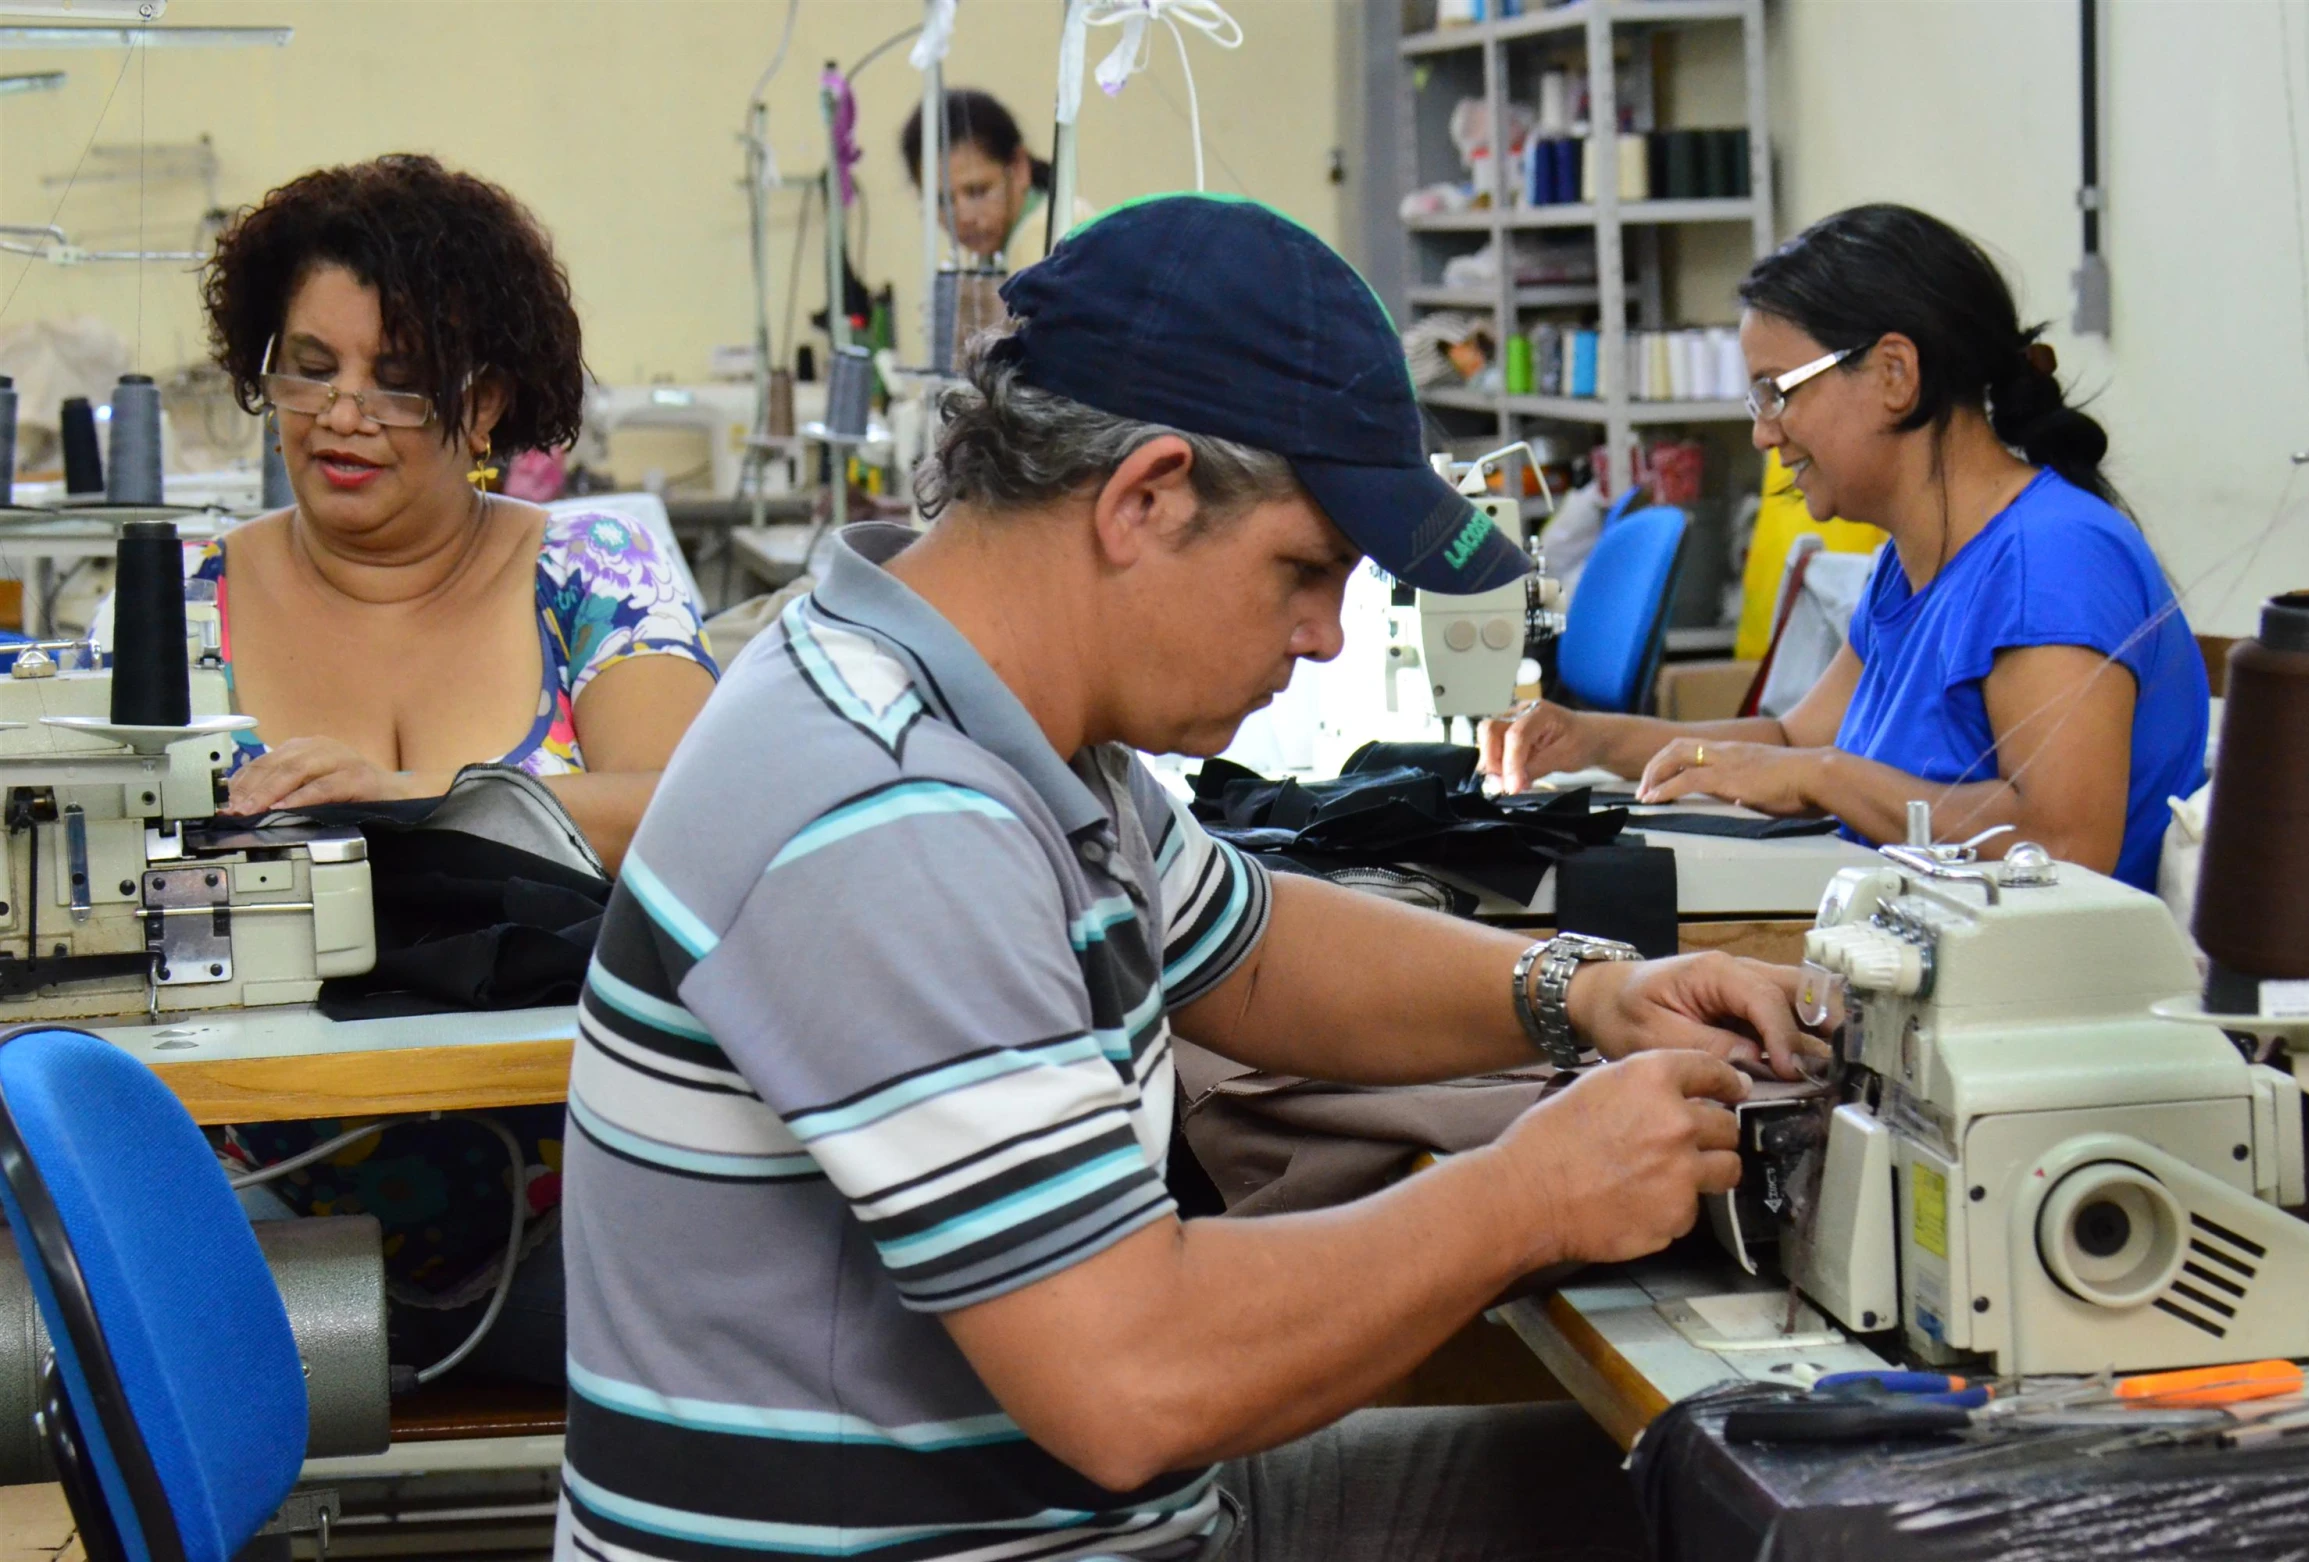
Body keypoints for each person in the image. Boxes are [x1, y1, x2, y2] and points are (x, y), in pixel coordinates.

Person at [558, 195, 1824, 1562]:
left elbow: (1251, 946)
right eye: (1303, 569)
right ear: (1143, 496)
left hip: (1090, 1520)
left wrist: (1591, 993)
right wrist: (1533, 1194)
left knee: (1728, 1498)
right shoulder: (887, 810)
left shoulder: (1003, 718)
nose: (1326, 636)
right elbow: (1133, 1378)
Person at [194, 154, 719, 1385]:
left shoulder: (594, 573)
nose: (341, 415)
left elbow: (700, 815)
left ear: (483, 403)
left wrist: (422, 809)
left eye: (398, 379)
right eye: (310, 368)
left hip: (586, 1217)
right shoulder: (181, 602)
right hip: (250, 1219)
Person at [1484, 204, 2207, 892]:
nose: (1765, 433)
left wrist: (1826, 777)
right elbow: (1791, 739)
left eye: (1777, 392)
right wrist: (1589, 741)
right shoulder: (1912, 565)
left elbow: (2063, 844)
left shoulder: (2054, 559)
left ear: (1895, 374)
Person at [899, 87, 1062, 268]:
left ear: (1018, 169)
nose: (964, 218)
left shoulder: (1047, 238)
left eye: (978, 192)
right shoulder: (995, 254)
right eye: (942, 200)